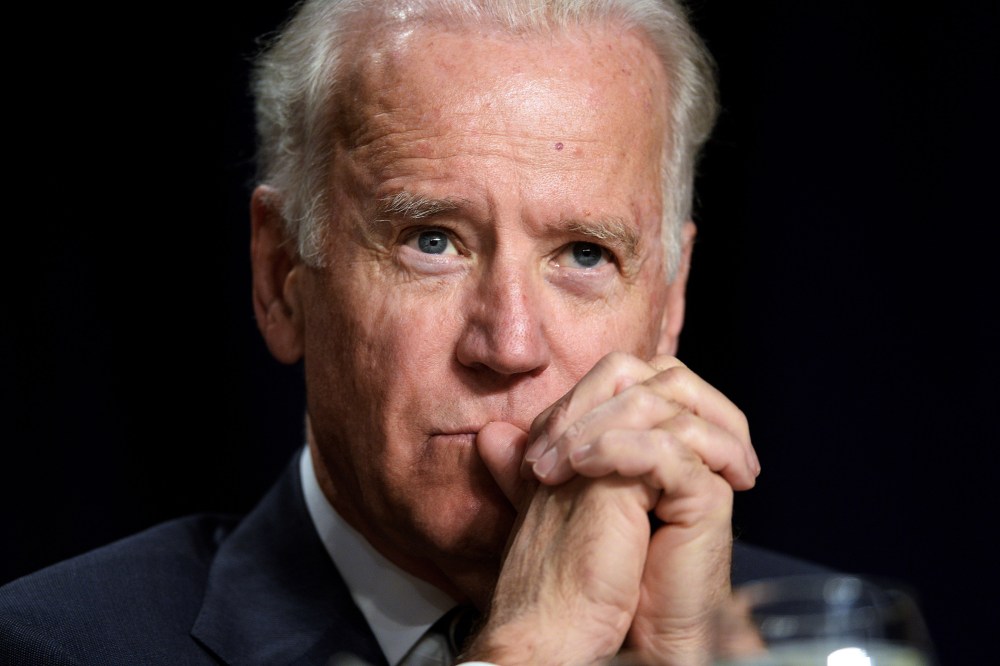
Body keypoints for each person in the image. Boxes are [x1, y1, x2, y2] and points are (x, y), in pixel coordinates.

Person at [0, 1, 824, 664]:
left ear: (670, 301)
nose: (509, 345)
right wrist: (532, 655)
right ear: (281, 276)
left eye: (583, 253)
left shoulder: (826, 643)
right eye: (432, 241)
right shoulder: (52, 644)